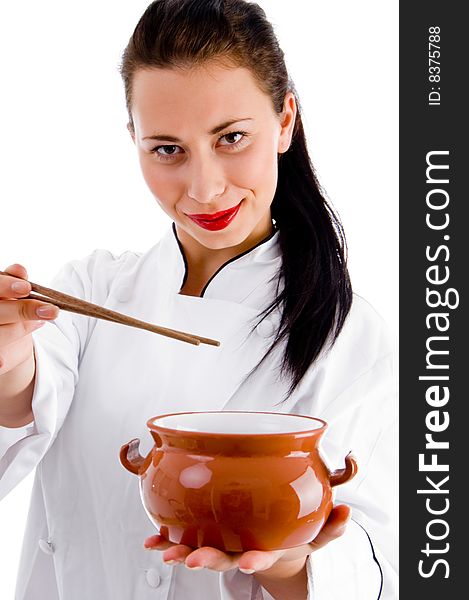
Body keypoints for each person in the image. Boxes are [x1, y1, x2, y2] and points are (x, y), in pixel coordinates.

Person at [0, 0, 397, 598]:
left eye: (232, 138)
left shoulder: (351, 338)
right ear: (133, 139)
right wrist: (7, 352)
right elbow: (22, 402)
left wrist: (288, 563)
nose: (204, 187)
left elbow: (377, 573)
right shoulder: (90, 291)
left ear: (285, 120)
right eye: (167, 149)